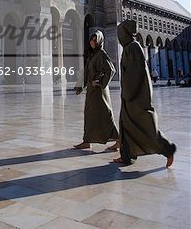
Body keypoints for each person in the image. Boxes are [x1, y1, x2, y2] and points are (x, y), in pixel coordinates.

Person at [114, 20, 176, 168]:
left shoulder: (133, 48)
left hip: (135, 96)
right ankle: (127, 156)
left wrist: (128, 94)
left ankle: (168, 148)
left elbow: (135, 74)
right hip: (130, 95)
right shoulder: (130, 47)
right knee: (127, 126)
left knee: (144, 126)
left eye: (120, 33)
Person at [73, 30, 119, 151]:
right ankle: (87, 141)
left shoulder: (101, 54)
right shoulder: (93, 54)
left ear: (99, 41)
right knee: (89, 115)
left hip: (99, 92)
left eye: (95, 40)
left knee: (105, 115)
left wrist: (99, 82)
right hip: (92, 92)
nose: (93, 42)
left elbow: (111, 70)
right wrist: (80, 86)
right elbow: (87, 72)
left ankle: (119, 140)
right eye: (91, 40)